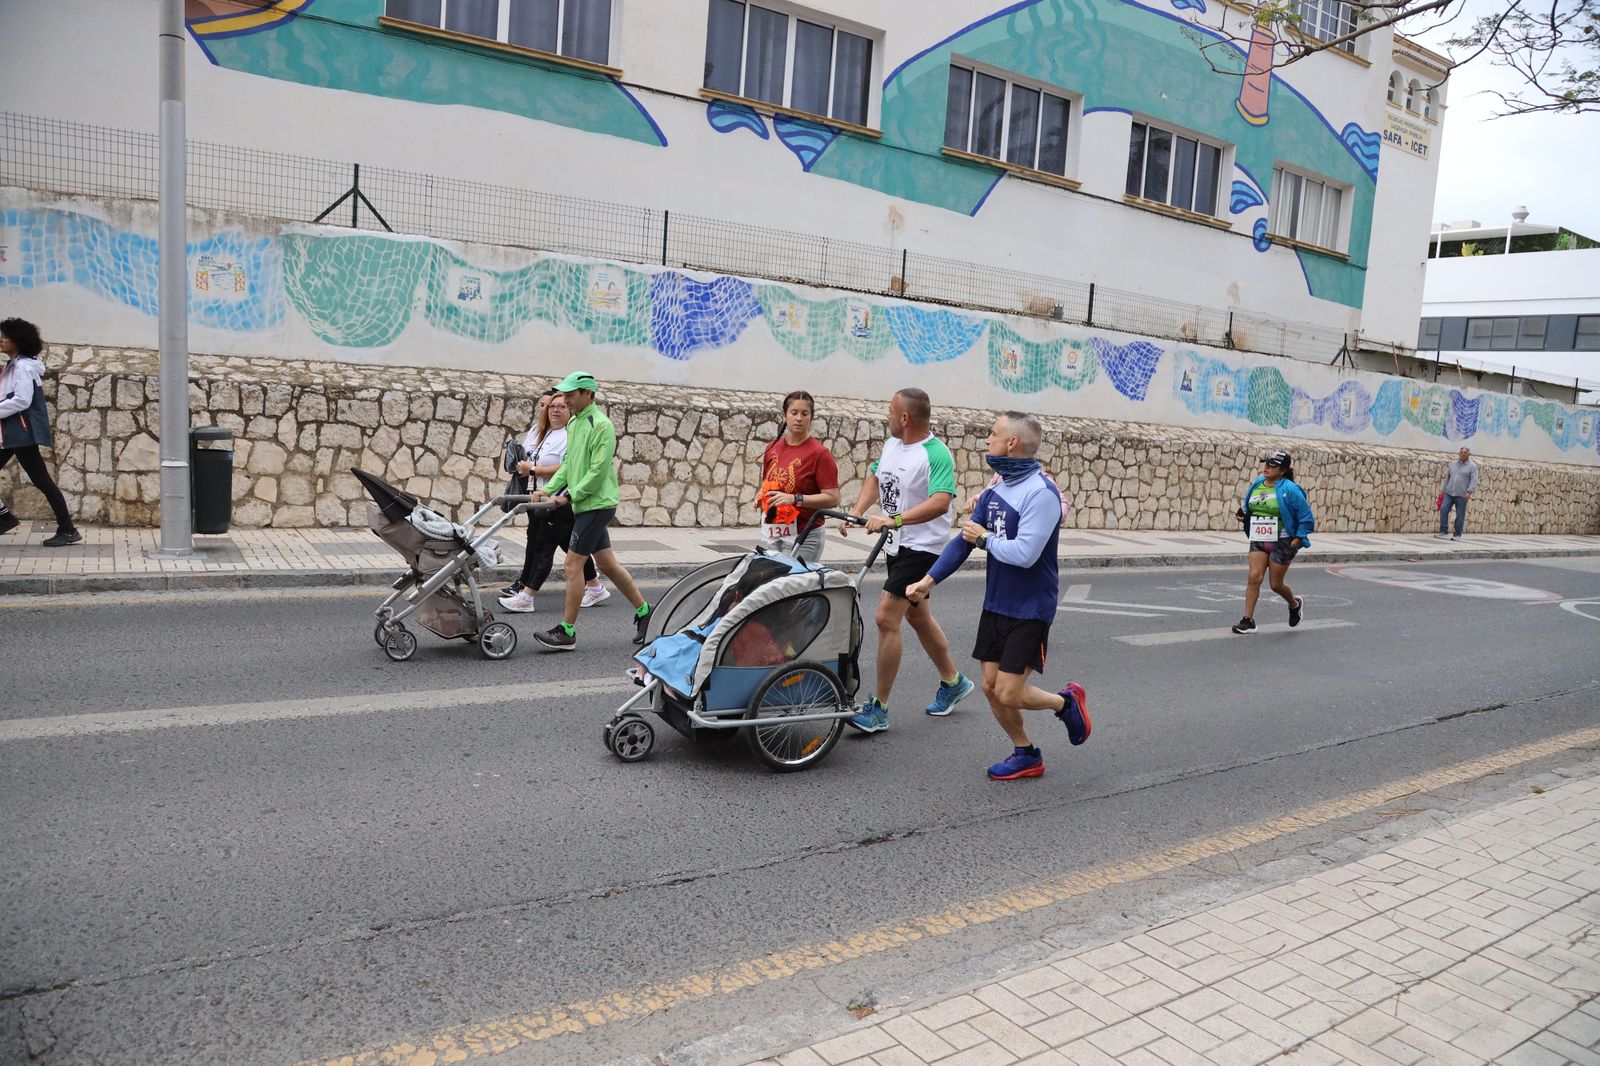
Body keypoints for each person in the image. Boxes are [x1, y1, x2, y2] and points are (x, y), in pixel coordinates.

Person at [904, 411, 1090, 780]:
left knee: (1007, 692)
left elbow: (1024, 554)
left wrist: (984, 539)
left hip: (1030, 607)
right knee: (990, 687)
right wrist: (929, 580)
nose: (987, 440)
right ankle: (1026, 753)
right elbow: (963, 541)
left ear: (1012, 443)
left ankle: (1065, 702)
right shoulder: (996, 489)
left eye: (993, 434)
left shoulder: (1041, 493)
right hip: (996, 604)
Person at [838, 387, 974, 732]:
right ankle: (953, 681)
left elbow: (941, 501)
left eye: (890, 411)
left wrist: (893, 519)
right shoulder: (892, 446)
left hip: (922, 547)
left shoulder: (936, 453)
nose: (886, 416)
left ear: (904, 417)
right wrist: (856, 512)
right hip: (896, 544)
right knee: (918, 616)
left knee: (886, 617)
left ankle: (879, 708)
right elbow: (875, 475)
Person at [529, 371, 652, 651]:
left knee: (572, 565)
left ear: (588, 394)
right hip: (585, 504)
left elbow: (597, 471)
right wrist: (550, 490)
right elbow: (569, 465)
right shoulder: (575, 424)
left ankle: (566, 631)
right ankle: (646, 613)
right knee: (607, 564)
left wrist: (569, 496)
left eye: (571, 395)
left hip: (597, 504)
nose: (566, 400)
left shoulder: (602, 425)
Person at [499, 390, 606, 612]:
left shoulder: (571, 434)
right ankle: (595, 586)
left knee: (544, 545)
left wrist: (538, 473)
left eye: (560, 406)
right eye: (550, 407)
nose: (554, 410)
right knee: (570, 546)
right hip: (539, 495)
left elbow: (569, 467)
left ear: (570, 409)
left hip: (560, 500)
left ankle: (527, 596)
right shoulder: (542, 432)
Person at [0, 318, 80, 547]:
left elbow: (22, 401)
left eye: (5, 336)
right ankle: (4, 518)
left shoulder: (23, 368)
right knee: (42, 480)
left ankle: (67, 529)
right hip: (13, 433)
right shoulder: (15, 366)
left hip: (21, 434)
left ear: (18, 341)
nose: (1, 340)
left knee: (43, 481)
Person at [1230, 450, 1314, 634]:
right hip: (1260, 537)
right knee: (1254, 577)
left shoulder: (1291, 489)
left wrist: (1299, 537)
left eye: (1272, 465)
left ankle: (1294, 604)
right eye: (1266, 463)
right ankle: (1248, 620)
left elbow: (1306, 516)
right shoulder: (1258, 483)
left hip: (1283, 540)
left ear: (1282, 470)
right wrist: (1243, 514)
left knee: (1275, 584)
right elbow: (1248, 504)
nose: (1266, 467)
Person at [757, 390, 840, 564]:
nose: (799, 418)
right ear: (785, 415)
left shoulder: (819, 453)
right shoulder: (773, 447)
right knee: (771, 585)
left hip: (805, 535)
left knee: (793, 587)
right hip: (775, 531)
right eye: (794, 413)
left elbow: (832, 498)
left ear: (811, 417)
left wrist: (794, 499)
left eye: (805, 413)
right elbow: (769, 484)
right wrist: (761, 498)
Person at [1434, 446, 1479, 541]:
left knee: (1460, 515)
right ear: (1459, 453)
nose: (1463, 454)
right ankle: (1443, 531)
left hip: (1462, 494)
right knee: (1443, 509)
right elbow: (1447, 478)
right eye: (1461, 452)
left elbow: (1474, 480)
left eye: (1465, 452)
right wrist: (1443, 491)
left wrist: (1469, 492)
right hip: (1449, 492)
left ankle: (1457, 534)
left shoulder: (1472, 466)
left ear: (1468, 454)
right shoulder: (1453, 464)